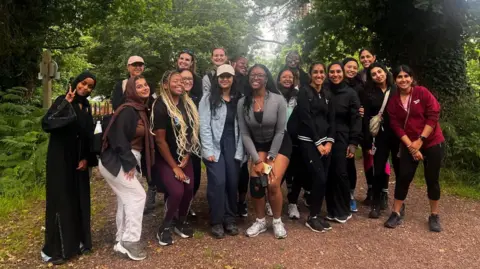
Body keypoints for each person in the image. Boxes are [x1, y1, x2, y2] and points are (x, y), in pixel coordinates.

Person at [41, 71, 97, 265]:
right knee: (61, 200)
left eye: (90, 86)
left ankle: (78, 243)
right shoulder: (62, 100)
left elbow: (87, 135)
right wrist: (66, 102)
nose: (85, 88)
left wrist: (85, 159)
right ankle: (57, 250)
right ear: (76, 82)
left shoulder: (87, 107)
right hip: (60, 159)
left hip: (78, 161)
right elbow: (47, 123)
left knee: (78, 199)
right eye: (83, 83)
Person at [99, 75, 154, 261]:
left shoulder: (140, 109)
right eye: (139, 86)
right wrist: (129, 162)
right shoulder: (128, 110)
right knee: (138, 196)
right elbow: (118, 138)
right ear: (131, 90)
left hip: (126, 158)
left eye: (145, 85)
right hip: (117, 161)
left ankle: (120, 240)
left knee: (125, 199)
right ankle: (130, 240)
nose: (144, 88)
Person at [385, 65, 445, 232]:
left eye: (406, 76)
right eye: (399, 77)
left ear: (411, 78)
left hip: (431, 141)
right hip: (409, 143)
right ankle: (396, 212)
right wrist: (412, 146)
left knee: (432, 179)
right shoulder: (394, 100)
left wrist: (421, 140)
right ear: (395, 80)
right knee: (403, 177)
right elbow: (395, 125)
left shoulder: (422, 92)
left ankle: (434, 215)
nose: (403, 80)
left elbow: (433, 115)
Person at [237, 64, 291, 239]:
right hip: (257, 145)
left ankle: (277, 221)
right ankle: (260, 221)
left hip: (279, 143)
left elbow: (280, 131)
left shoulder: (278, 99)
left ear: (266, 79)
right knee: (256, 183)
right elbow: (245, 133)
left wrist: (271, 158)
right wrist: (257, 160)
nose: (255, 77)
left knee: (273, 182)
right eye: (253, 75)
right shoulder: (242, 102)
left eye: (260, 75)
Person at [151, 71, 201, 246]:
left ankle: (180, 222)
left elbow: (190, 132)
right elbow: (160, 140)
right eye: (176, 81)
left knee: (189, 189)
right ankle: (164, 227)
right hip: (166, 158)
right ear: (165, 85)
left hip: (183, 155)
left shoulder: (187, 104)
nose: (181, 83)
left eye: (182, 81)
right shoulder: (160, 106)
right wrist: (175, 167)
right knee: (177, 191)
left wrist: (187, 154)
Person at [199, 64, 244, 238]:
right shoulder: (208, 98)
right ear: (216, 79)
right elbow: (204, 125)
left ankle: (229, 218)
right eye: (221, 76)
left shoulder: (239, 99)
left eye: (228, 76)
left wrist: (241, 151)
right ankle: (217, 220)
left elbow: (243, 127)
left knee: (232, 182)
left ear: (233, 78)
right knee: (218, 182)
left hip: (233, 144)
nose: (225, 79)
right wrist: (208, 149)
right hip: (215, 145)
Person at [296, 63, 335, 232]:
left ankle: (316, 214)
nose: (319, 75)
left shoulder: (327, 93)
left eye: (321, 72)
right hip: (308, 141)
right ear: (310, 74)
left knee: (323, 178)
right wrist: (318, 143)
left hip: (326, 143)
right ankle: (311, 217)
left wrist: (329, 142)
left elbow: (332, 119)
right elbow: (306, 118)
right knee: (318, 176)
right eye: (315, 72)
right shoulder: (304, 92)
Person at [325, 62, 362, 224]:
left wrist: (353, 142)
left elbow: (356, 119)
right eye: (331, 72)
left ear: (343, 73)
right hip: (325, 136)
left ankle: (343, 209)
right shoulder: (324, 91)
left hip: (343, 136)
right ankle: (331, 209)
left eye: (338, 71)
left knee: (341, 172)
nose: (335, 75)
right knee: (329, 172)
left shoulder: (351, 93)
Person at [363, 62, 400, 218]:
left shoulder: (397, 89)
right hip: (380, 137)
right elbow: (365, 117)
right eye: (374, 74)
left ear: (385, 72)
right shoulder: (369, 92)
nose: (378, 75)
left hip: (399, 136)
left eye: (380, 71)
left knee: (400, 171)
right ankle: (376, 204)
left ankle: (399, 205)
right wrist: (366, 141)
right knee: (378, 169)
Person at [278, 67, 309, 220]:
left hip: (297, 138)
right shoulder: (273, 95)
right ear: (279, 79)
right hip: (278, 138)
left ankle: (292, 202)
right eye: (284, 76)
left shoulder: (300, 95)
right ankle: (273, 198)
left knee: (297, 172)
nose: (287, 79)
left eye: (290, 77)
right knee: (278, 172)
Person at [179, 68, 202, 217]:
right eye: (184, 79)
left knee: (196, 178)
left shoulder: (196, 99)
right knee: (179, 180)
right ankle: (177, 211)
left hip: (194, 146)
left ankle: (187, 205)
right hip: (178, 147)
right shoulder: (171, 99)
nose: (187, 82)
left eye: (190, 79)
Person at [232, 55, 250, 217]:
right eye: (241, 63)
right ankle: (229, 199)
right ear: (233, 64)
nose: (244, 66)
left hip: (245, 126)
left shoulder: (249, 81)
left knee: (244, 166)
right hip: (230, 127)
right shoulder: (229, 79)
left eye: (246, 64)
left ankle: (242, 201)